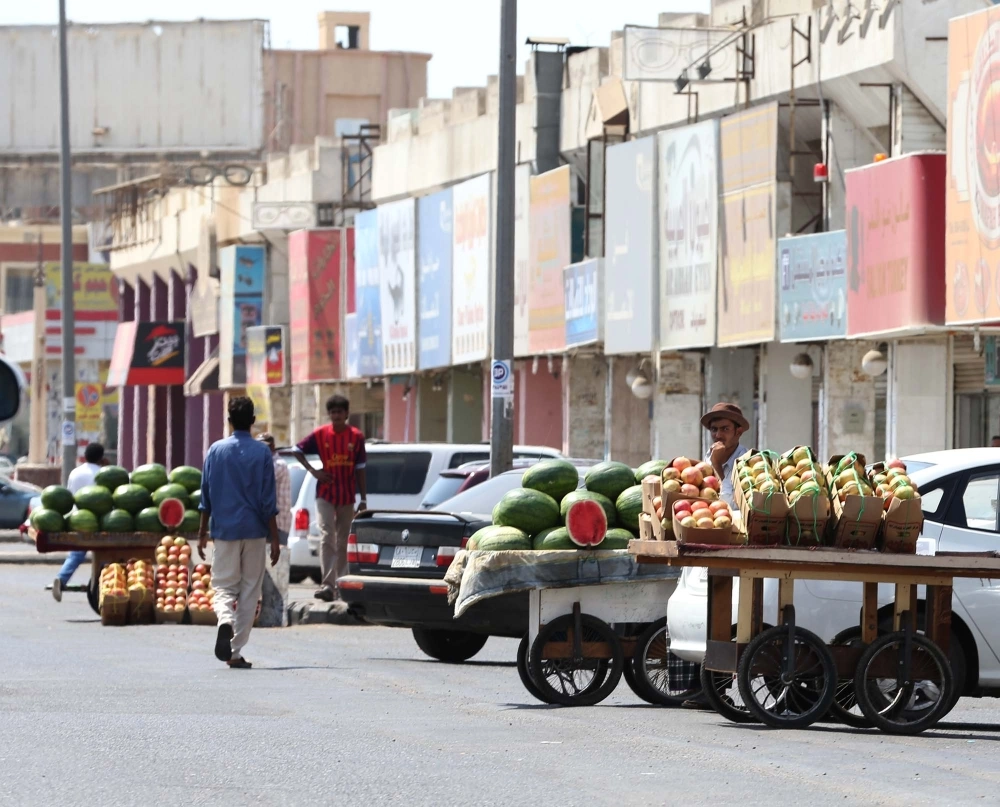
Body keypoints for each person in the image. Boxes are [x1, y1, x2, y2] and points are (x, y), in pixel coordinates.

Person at [198, 396, 280, 669]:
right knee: (249, 590)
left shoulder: (215, 451)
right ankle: (234, 651)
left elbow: (205, 496)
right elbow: (268, 500)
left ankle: (224, 619)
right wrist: (275, 538)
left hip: (224, 530)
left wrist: (201, 531)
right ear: (253, 421)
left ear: (229, 421)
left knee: (223, 586)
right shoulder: (262, 453)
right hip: (255, 531)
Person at [290, 394, 367, 602]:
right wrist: (314, 472)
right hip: (325, 494)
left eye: (340, 412)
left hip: (347, 495)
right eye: (333, 412)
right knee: (326, 537)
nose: (336, 416)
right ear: (329, 414)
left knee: (343, 541)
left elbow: (360, 469)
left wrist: (364, 498)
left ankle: (342, 584)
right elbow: (297, 450)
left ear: (346, 414)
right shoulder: (321, 434)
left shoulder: (356, 437)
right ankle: (327, 585)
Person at [52, 443, 107, 602]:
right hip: (96, 521)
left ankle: (61, 578)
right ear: (101, 458)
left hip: (77, 519)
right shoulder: (101, 473)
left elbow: (68, 496)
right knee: (104, 553)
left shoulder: (75, 472)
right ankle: (103, 582)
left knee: (76, 554)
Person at [702, 402, 751, 508]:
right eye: (714, 429)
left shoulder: (747, 462)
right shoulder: (709, 454)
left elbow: (731, 506)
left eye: (725, 429)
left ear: (738, 432)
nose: (718, 435)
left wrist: (717, 464)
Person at [258, 433, 291, 545]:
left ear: (272, 447)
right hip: (267, 522)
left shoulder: (278, 464)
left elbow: (259, 480)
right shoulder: (265, 463)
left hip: (278, 523)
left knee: (276, 559)